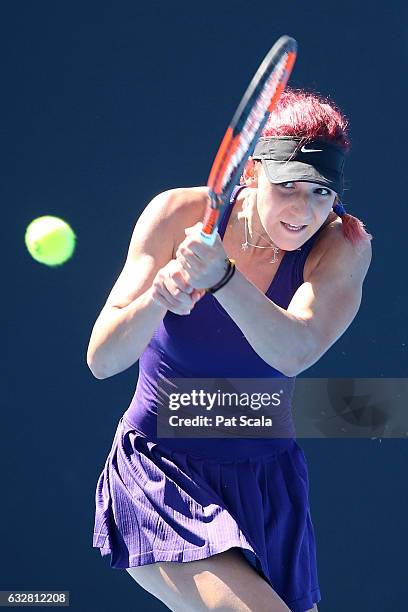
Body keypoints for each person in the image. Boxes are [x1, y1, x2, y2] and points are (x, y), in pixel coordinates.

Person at [88, 88, 372, 612]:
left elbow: (296, 348)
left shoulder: (344, 245)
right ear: (251, 175)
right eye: (288, 186)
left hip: (269, 482)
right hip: (161, 471)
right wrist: (159, 295)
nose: (304, 208)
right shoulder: (177, 213)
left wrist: (221, 277)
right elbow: (102, 360)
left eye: (320, 191)